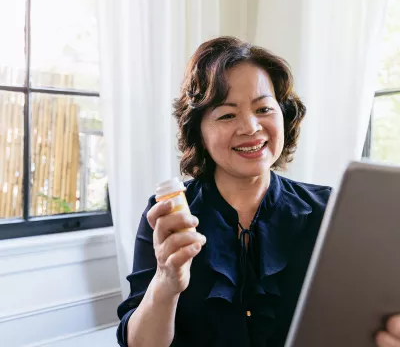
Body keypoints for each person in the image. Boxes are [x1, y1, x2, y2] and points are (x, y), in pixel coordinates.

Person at [116, 37, 400, 347]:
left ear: (284, 114)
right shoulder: (168, 215)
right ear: (199, 130)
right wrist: (166, 281)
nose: (251, 127)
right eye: (227, 114)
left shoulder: (330, 210)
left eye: (263, 108)